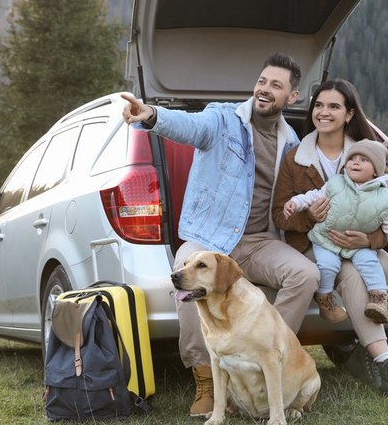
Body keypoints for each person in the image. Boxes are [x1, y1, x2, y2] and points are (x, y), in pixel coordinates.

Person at [122, 52, 321, 417]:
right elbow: (189, 127)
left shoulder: (291, 141)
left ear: (292, 97)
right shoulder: (222, 118)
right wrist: (151, 116)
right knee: (185, 269)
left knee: (306, 274)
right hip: (212, 239)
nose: (264, 89)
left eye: (276, 85)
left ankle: (269, 358)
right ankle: (207, 380)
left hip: (260, 240)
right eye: (262, 81)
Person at [272, 79, 388, 396]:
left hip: (359, 244)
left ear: (349, 113)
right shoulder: (296, 158)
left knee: (382, 265)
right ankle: (384, 361)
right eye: (318, 105)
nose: (323, 112)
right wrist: (308, 217)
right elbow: (279, 213)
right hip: (315, 243)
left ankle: (367, 350)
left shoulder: (367, 154)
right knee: (352, 275)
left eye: (333, 106)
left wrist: (369, 240)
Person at [283, 139, 388, 325]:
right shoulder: (335, 184)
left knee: (370, 264)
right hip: (327, 239)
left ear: (377, 170)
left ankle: (378, 300)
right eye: (353, 159)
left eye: (364, 160)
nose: (356, 162)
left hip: (359, 244)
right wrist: (296, 203)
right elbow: (313, 196)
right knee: (327, 265)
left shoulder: (386, 197)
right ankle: (325, 300)